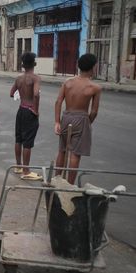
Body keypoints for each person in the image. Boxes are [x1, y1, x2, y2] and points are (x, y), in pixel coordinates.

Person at [54, 53, 101, 185]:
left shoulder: (68, 82)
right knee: (75, 154)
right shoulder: (95, 87)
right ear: (92, 67)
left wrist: (57, 121)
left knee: (62, 150)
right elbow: (94, 111)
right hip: (81, 118)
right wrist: (88, 122)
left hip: (67, 116)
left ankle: (56, 180)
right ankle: (69, 185)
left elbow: (58, 102)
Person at [9, 52, 42, 180]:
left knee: (19, 139)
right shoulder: (35, 78)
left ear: (22, 65)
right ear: (34, 64)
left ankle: (18, 166)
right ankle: (26, 171)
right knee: (28, 142)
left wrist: (21, 93)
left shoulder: (19, 79)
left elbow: (12, 93)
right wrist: (36, 110)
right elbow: (36, 94)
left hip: (21, 110)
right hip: (29, 111)